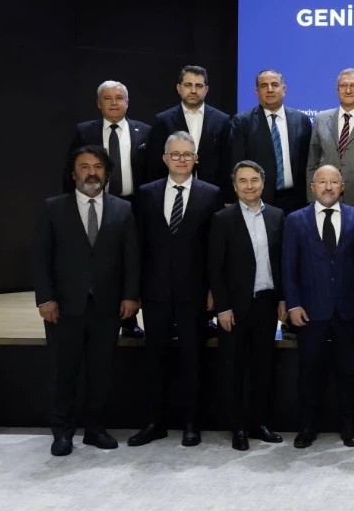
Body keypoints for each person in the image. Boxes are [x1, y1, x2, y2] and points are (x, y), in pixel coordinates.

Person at [34, 146, 140, 456]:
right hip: (65, 307)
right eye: (84, 167)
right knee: (63, 372)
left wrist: (130, 295)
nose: (91, 173)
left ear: (106, 174)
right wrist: (46, 298)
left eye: (97, 167)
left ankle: (95, 429)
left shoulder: (123, 209)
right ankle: (62, 433)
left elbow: (131, 257)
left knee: (101, 372)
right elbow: (41, 258)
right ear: (73, 173)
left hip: (107, 306)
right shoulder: (54, 208)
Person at [128, 131, 221, 448]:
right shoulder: (146, 193)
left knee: (193, 359)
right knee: (155, 359)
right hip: (155, 291)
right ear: (165, 158)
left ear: (196, 159)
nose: (182, 159)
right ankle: (155, 423)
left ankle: (191, 424)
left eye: (187, 154)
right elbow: (137, 245)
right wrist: (134, 290)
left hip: (194, 292)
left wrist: (214, 289)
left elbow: (214, 248)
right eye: (175, 154)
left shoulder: (211, 193)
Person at [283, 165, 354, 448]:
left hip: (347, 309)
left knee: (349, 371)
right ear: (312, 187)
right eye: (322, 182)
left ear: (342, 187)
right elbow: (288, 266)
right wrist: (293, 304)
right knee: (309, 372)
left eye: (334, 182)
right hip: (310, 310)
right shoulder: (295, 220)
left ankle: (349, 426)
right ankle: (307, 427)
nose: (328, 187)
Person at [208, 160, 286, 451]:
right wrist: (222, 307)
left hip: (266, 303)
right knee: (233, 369)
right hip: (234, 308)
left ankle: (259, 423)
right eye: (243, 181)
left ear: (263, 183)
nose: (249, 186)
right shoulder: (222, 219)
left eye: (254, 180)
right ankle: (237, 428)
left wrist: (283, 298)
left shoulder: (277, 216)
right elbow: (215, 267)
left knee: (262, 367)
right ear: (234, 185)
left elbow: (281, 262)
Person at [64, 79, 151, 339]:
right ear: (99, 103)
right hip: (98, 203)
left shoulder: (145, 131)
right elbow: (70, 169)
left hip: (135, 205)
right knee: (104, 260)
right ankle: (101, 315)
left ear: (127, 102)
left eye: (119, 98)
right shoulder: (84, 131)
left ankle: (130, 319)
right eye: (108, 98)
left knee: (132, 259)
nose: (114, 103)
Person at [228, 69, 312, 214]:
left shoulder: (301, 120)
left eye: (274, 84)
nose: (270, 89)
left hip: (297, 200)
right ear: (257, 91)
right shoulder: (242, 122)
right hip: (258, 199)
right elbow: (237, 164)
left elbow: (309, 160)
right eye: (264, 85)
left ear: (283, 89)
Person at [147, 65, 232, 190]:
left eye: (199, 86)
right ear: (179, 88)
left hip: (213, 191)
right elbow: (154, 164)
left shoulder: (222, 120)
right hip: (173, 191)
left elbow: (227, 163)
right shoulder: (163, 120)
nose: (193, 90)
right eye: (188, 85)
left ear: (206, 90)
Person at [306, 68, 354, 208]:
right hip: (325, 198)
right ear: (337, 90)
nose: (348, 90)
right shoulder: (321, 119)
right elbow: (312, 163)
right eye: (343, 86)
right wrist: (312, 198)